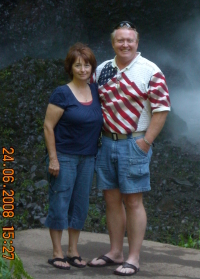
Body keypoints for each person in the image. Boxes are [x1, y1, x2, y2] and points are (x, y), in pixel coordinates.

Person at [88, 21, 170, 276]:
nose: (125, 44)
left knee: (133, 200)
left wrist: (146, 142)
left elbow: (162, 109)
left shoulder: (149, 70)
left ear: (137, 43)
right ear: (113, 42)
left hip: (134, 142)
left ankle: (133, 257)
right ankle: (115, 252)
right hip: (107, 141)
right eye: (120, 40)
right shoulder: (103, 69)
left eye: (130, 40)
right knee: (111, 199)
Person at [43, 43, 103, 270]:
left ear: (92, 68)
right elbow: (48, 127)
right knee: (60, 201)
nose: (83, 69)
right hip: (65, 157)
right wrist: (53, 158)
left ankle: (73, 251)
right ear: (70, 68)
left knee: (80, 205)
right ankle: (57, 252)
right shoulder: (62, 93)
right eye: (78, 65)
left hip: (88, 158)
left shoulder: (96, 91)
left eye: (87, 65)